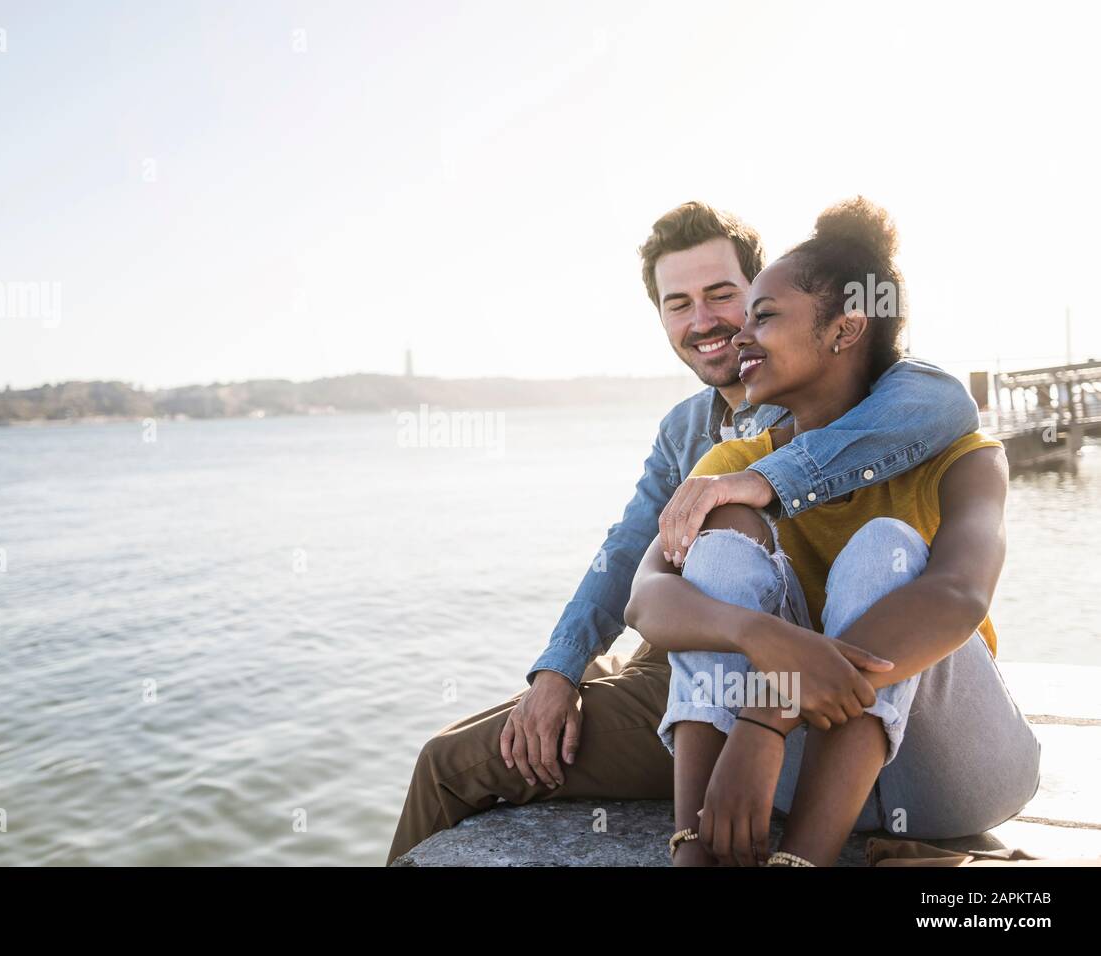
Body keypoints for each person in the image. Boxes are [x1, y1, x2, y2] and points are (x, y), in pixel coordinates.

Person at [386, 201, 981, 865]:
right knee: (508, 723)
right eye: (678, 303)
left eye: (725, 296)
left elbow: (949, 405)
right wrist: (559, 669)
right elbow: (627, 556)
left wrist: (763, 481)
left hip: (766, 674)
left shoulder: (854, 395)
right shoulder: (686, 430)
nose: (704, 322)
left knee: (450, 766)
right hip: (686, 647)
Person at [625, 197, 1040, 867]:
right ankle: (695, 851)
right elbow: (646, 595)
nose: (739, 339)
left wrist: (770, 705)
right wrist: (757, 635)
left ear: (844, 331)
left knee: (884, 545)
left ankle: (804, 862)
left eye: (764, 317)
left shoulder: (964, 453)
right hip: (802, 770)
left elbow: (961, 596)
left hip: (955, 774)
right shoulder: (734, 468)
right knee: (721, 538)